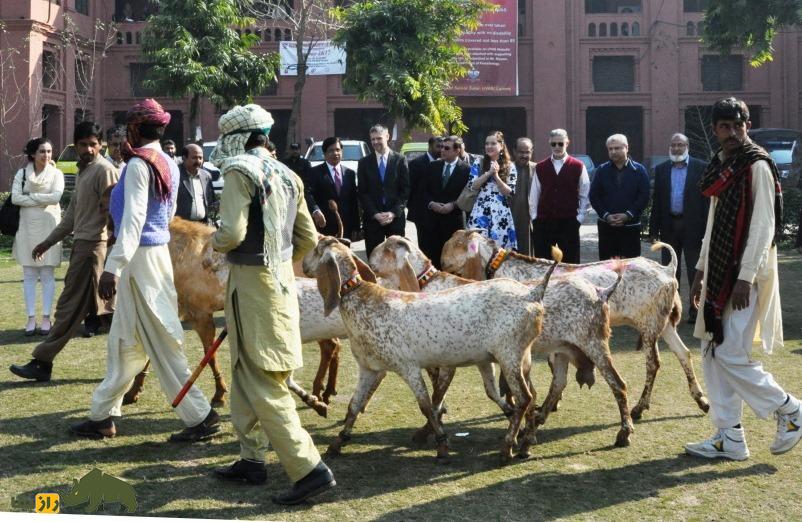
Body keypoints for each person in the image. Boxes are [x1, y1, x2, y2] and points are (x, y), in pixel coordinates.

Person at [70, 99, 219, 442]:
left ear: (136, 129)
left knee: (161, 339)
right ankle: (102, 414)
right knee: (124, 341)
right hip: (154, 255)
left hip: (139, 257)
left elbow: (134, 220)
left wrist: (113, 267)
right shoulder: (167, 162)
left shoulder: (139, 165)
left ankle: (200, 416)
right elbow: (166, 215)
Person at [209, 104, 336, 505]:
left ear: (238, 138)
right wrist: (278, 261)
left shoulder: (238, 171)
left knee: (264, 378)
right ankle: (252, 458)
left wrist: (213, 242)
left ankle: (309, 468)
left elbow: (231, 233)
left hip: (251, 284)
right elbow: (308, 239)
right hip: (279, 283)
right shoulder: (288, 174)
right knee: (245, 369)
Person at [684, 97, 801, 461]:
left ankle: (790, 409)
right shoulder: (722, 167)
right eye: (725, 126)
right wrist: (700, 270)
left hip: (744, 277)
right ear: (716, 130)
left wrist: (745, 278)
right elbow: (714, 224)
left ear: (747, 126)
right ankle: (729, 436)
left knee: (730, 352)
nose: (732, 132)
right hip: (718, 272)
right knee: (711, 351)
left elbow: (764, 226)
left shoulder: (756, 165)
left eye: (739, 125)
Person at [9, 122, 118, 382]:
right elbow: (71, 218)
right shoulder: (85, 171)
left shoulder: (105, 170)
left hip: (94, 249)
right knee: (109, 313)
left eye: (93, 144)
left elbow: (115, 214)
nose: (88, 149)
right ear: (75, 145)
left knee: (72, 308)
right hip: (83, 247)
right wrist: (47, 243)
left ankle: (42, 362)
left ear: (100, 145)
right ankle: (133, 366)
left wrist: (111, 250)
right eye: (83, 144)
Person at [649, 133, 709, 323]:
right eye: (673, 145)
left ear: (687, 147)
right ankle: (672, 311)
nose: (676, 148)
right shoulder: (661, 169)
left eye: (680, 145)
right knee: (669, 272)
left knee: (695, 270)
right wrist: (653, 229)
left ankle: (696, 311)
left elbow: (706, 201)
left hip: (694, 227)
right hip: (669, 226)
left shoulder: (701, 167)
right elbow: (657, 201)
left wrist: (707, 229)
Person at [11, 138, 64, 336]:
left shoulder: (57, 174)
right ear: (33, 154)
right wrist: (42, 200)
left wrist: (30, 197)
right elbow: (15, 198)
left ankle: (46, 317)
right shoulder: (22, 173)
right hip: (26, 228)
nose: (46, 155)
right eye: (42, 151)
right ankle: (31, 317)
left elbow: (56, 197)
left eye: (49, 151)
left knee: (47, 274)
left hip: (49, 228)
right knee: (29, 274)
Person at [528, 129, 591, 264]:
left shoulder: (578, 166)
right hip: (544, 222)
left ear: (567, 143)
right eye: (554, 144)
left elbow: (585, 195)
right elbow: (534, 194)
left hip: (569, 222)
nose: (557, 147)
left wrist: (579, 218)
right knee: (543, 263)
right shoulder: (541, 167)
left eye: (560, 144)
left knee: (570, 263)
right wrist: (535, 218)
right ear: (549, 143)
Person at [589, 134, 649, 260]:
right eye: (610, 149)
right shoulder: (601, 170)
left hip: (631, 227)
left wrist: (628, 214)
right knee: (607, 267)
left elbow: (644, 196)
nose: (613, 151)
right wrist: (606, 215)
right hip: (607, 227)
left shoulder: (639, 170)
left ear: (626, 148)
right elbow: (594, 196)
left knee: (630, 266)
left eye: (617, 148)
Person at [357, 124, 410, 257]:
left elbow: (405, 190)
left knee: (397, 259)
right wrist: (375, 214)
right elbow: (362, 192)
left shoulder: (400, 160)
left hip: (395, 220)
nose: (375, 142)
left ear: (387, 137)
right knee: (375, 259)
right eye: (372, 139)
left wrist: (393, 213)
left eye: (379, 138)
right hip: (373, 221)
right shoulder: (364, 163)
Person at [419, 135, 470, 268]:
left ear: (457, 150)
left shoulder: (466, 169)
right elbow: (423, 190)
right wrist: (431, 204)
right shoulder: (433, 166)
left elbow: (467, 195)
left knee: (453, 260)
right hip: (433, 222)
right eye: (441, 147)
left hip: (453, 223)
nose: (442, 150)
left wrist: (453, 205)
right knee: (433, 260)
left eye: (447, 148)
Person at [466, 130, 518, 250]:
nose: (489, 146)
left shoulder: (510, 166)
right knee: (477, 248)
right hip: (480, 210)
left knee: (500, 250)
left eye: (493, 143)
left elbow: (510, 192)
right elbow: (472, 185)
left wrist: (496, 176)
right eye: (487, 143)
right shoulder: (478, 162)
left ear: (501, 145)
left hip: (500, 212)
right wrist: (488, 173)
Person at [304, 136, 361, 240]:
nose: (335, 153)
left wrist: (356, 227)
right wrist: (316, 211)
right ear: (324, 154)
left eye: (338, 150)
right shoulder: (314, 172)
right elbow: (307, 194)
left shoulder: (350, 173)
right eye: (331, 150)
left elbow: (353, 202)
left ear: (342, 152)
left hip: (345, 228)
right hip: (323, 227)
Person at [407, 136, 443, 240]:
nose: (441, 149)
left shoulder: (444, 163)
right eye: (438, 146)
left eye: (442, 147)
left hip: (440, 213)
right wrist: (414, 208)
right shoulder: (416, 164)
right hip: (422, 214)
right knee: (424, 243)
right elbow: (410, 188)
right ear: (430, 146)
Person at [175, 143, 216, 224]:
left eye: (200, 158)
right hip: (181, 226)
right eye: (194, 158)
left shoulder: (206, 176)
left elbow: (210, 200)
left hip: (203, 225)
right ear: (184, 158)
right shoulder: (175, 174)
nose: (198, 161)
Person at [511, 137, 535, 255]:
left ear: (532, 152)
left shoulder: (537, 169)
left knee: (528, 254)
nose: (524, 155)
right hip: (510, 218)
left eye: (527, 152)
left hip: (529, 220)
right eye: (521, 152)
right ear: (514, 152)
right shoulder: (506, 169)